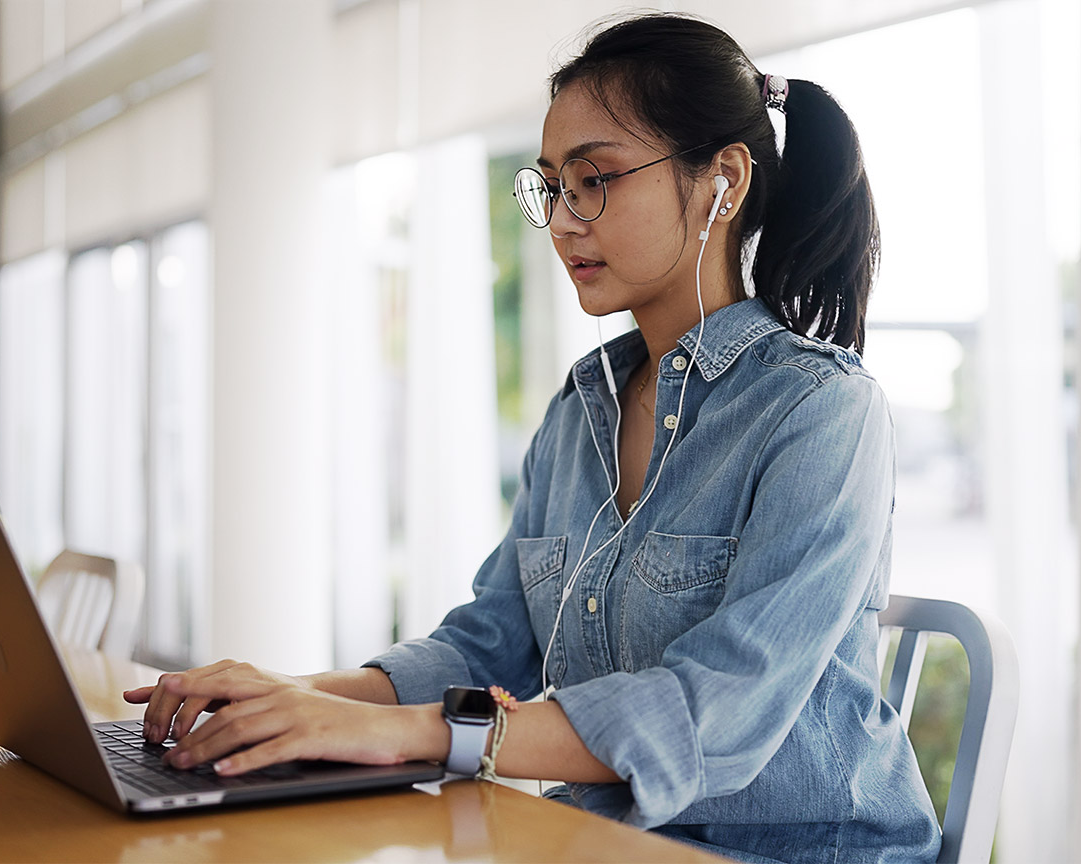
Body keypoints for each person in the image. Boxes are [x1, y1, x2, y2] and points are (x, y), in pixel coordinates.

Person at [125, 12, 941, 863]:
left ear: (720, 182)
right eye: (551, 185)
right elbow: (490, 643)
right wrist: (289, 695)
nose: (560, 220)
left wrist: (412, 735)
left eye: (593, 180)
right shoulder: (579, 410)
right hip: (596, 839)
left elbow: (713, 709)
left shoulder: (820, 411)